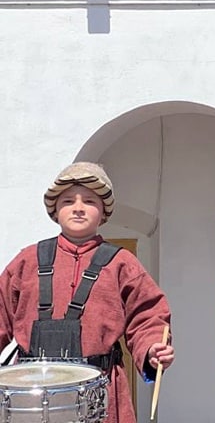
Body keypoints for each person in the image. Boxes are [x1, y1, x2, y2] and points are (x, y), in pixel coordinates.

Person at [0, 162, 174, 423]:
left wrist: (151, 349)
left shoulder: (122, 264)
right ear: (55, 210)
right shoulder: (26, 261)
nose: (78, 208)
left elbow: (147, 317)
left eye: (90, 201)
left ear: (104, 212)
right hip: (31, 401)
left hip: (101, 395)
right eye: (68, 201)